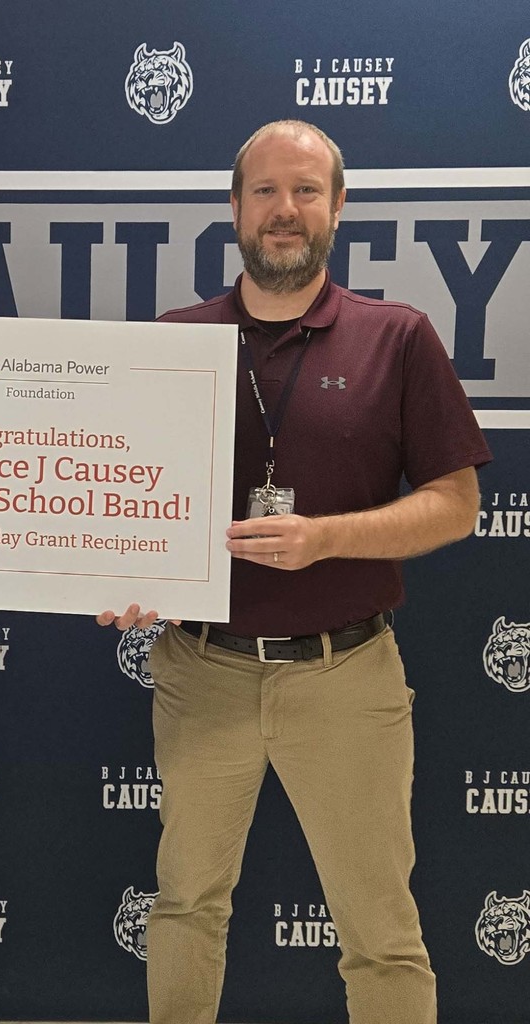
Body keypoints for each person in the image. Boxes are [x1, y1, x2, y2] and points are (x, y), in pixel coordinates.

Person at [99, 120, 491, 1024]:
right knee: (185, 907)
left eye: (306, 191)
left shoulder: (399, 338)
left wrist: (331, 538)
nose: (286, 211)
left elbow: (457, 503)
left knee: (381, 930)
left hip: (346, 676)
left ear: (339, 206)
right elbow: (123, 503)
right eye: (266, 192)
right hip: (203, 672)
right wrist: (119, 576)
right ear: (234, 209)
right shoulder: (174, 341)